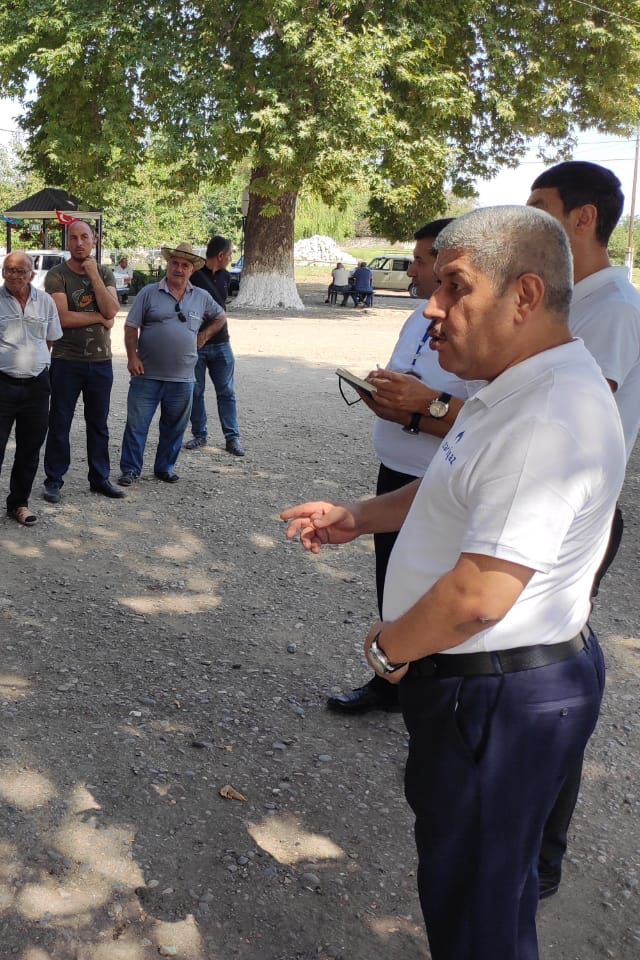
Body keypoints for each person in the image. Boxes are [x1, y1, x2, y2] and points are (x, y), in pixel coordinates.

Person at [282, 206, 622, 960]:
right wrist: (360, 516)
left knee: (476, 908)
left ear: (525, 296)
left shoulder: (548, 416)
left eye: (453, 288)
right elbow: (449, 485)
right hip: (491, 686)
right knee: (476, 884)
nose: (430, 307)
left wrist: (388, 649)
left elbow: (478, 596)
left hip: (497, 693)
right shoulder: (510, 389)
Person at [527, 159, 640, 899]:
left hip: (570, 516)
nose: (530, 224)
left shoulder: (614, 310)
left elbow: (567, 412)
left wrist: (436, 415)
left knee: (548, 680)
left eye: (541, 210)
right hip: (531, 501)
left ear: (583, 220)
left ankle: (542, 855)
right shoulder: (573, 300)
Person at [326, 218, 465, 715]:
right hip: (398, 472)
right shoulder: (417, 316)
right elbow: (411, 381)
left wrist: (417, 409)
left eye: (424, 259)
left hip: (439, 481)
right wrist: (384, 390)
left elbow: (482, 420)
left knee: (430, 587)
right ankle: (390, 684)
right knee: (395, 579)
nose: (414, 266)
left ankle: (430, 693)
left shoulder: (482, 336)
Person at [0, 251, 63, 532]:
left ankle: (19, 504)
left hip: (37, 387)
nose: (15, 276)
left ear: (32, 274)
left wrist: (33, 364)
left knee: (30, 449)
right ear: (2, 273)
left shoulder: (45, 302)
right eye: (10, 270)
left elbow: (50, 341)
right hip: (2, 386)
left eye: (21, 271)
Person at [119, 243, 225, 485]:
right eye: (174, 263)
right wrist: (132, 357)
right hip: (146, 373)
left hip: (183, 376)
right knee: (137, 425)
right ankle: (130, 470)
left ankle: (165, 468)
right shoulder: (148, 292)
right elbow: (130, 326)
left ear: (192, 270)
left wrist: (204, 335)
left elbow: (220, 317)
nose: (178, 268)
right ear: (168, 265)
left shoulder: (201, 297)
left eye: (184, 265)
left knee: (174, 427)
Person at [41, 219, 126, 502]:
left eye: (84, 237)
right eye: (73, 237)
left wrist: (93, 274)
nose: (79, 243)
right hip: (66, 360)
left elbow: (112, 310)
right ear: (67, 241)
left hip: (101, 361)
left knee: (98, 423)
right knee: (60, 421)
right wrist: (100, 317)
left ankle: (99, 478)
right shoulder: (56, 275)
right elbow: (62, 318)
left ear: (95, 240)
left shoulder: (104, 272)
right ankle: (54, 480)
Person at [185, 235, 244, 457]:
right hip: (197, 343)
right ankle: (200, 434)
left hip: (221, 343)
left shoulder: (226, 277)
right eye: (230, 254)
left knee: (227, 392)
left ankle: (232, 438)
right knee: (195, 391)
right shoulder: (194, 276)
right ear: (221, 255)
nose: (231, 258)